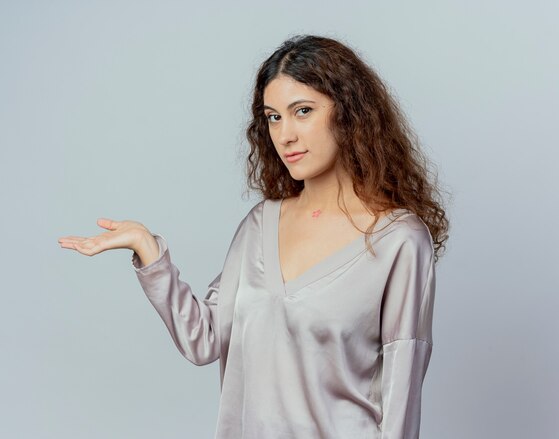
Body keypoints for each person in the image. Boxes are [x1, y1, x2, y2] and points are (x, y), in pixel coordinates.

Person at [59, 34, 450, 439]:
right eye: (273, 117)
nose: (285, 135)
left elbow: (401, 392)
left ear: (350, 114)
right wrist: (149, 250)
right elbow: (203, 340)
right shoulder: (260, 223)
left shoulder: (399, 240)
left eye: (303, 111)